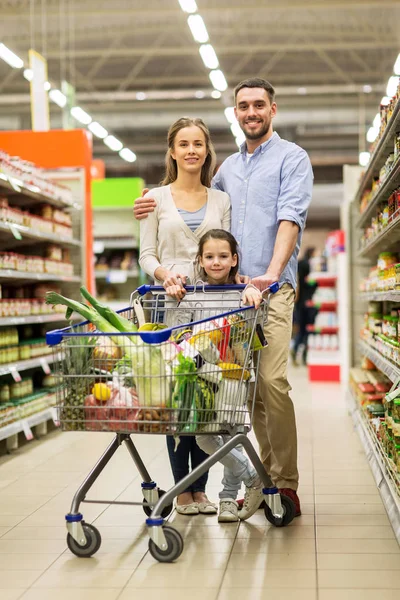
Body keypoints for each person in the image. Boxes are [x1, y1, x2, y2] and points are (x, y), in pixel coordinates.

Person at [134, 78, 313, 517]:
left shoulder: (293, 158)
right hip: (225, 299)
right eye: (243, 106)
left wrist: (269, 275)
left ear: (273, 109)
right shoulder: (228, 170)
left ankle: (283, 484)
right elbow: (194, 215)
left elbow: (290, 219)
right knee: (241, 393)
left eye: (258, 105)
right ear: (236, 113)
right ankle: (259, 480)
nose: (251, 112)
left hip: (269, 290)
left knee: (272, 384)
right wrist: (146, 204)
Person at [139, 116, 231, 516]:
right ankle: (181, 490)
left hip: (209, 305)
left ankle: (201, 488)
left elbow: (225, 249)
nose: (191, 150)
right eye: (183, 144)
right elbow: (147, 255)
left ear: (206, 151)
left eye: (198, 143)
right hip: (167, 305)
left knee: (204, 396)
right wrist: (164, 274)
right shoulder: (154, 199)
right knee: (177, 400)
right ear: (172, 152)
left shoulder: (221, 201)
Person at [165, 229, 263, 523]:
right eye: (209, 256)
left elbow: (258, 324)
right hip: (204, 377)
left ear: (234, 260)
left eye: (223, 256)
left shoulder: (243, 293)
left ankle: (228, 499)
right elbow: (180, 331)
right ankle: (254, 478)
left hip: (234, 375)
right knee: (206, 437)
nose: (216, 262)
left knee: (234, 434)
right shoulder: (194, 295)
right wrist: (176, 301)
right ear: (200, 260)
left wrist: (251, 293)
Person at [291, 247, 316, 366]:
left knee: (301, 330)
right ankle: (303, 355)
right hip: (307, 304)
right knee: (305, 331)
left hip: (299, 303)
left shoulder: (299, 265)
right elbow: (310, 283)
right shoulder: (307, 265)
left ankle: (296, 351)